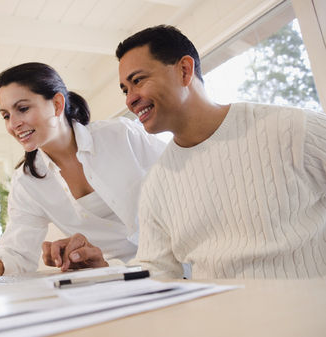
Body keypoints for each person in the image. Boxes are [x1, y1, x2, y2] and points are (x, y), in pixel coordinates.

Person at [0, 62, 166, 295]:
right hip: (115, 282)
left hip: (170, 267)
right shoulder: (28, 181)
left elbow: (179, 185)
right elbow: (16, 252)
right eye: (6, 115)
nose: (14, 124)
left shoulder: (121, 135)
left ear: (57, 104)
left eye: (22, 109)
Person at [116, 25, 326, 279]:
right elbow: (156, 271)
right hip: (216, 316)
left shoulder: (292, 129)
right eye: (126, 90)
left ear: (184, 70)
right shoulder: (156, 184)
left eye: (137, 81)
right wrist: (103, 273)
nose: (130, 100)